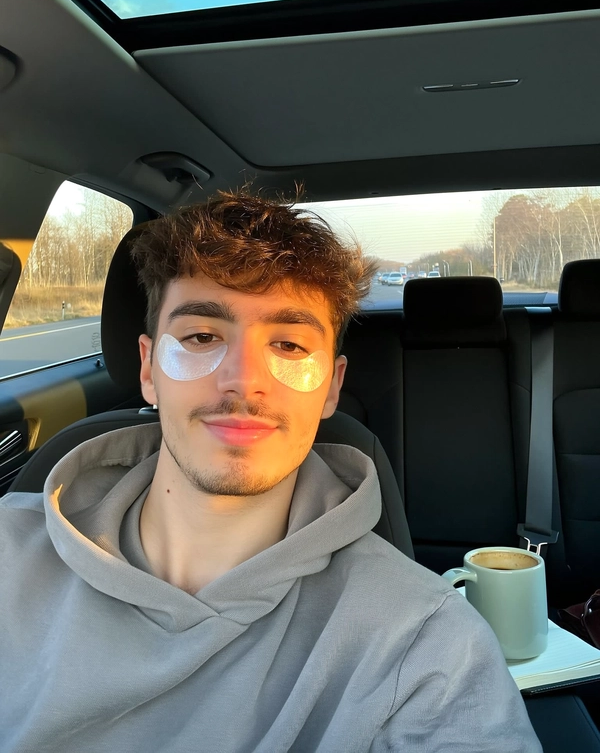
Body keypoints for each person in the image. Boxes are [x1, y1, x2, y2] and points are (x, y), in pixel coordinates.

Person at [0, 191, 541, 752]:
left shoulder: (425, 648)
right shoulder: (7, 554)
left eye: (288, 344)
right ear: (148, 369)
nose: (243, 379)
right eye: (201, 337)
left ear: (331, 388)